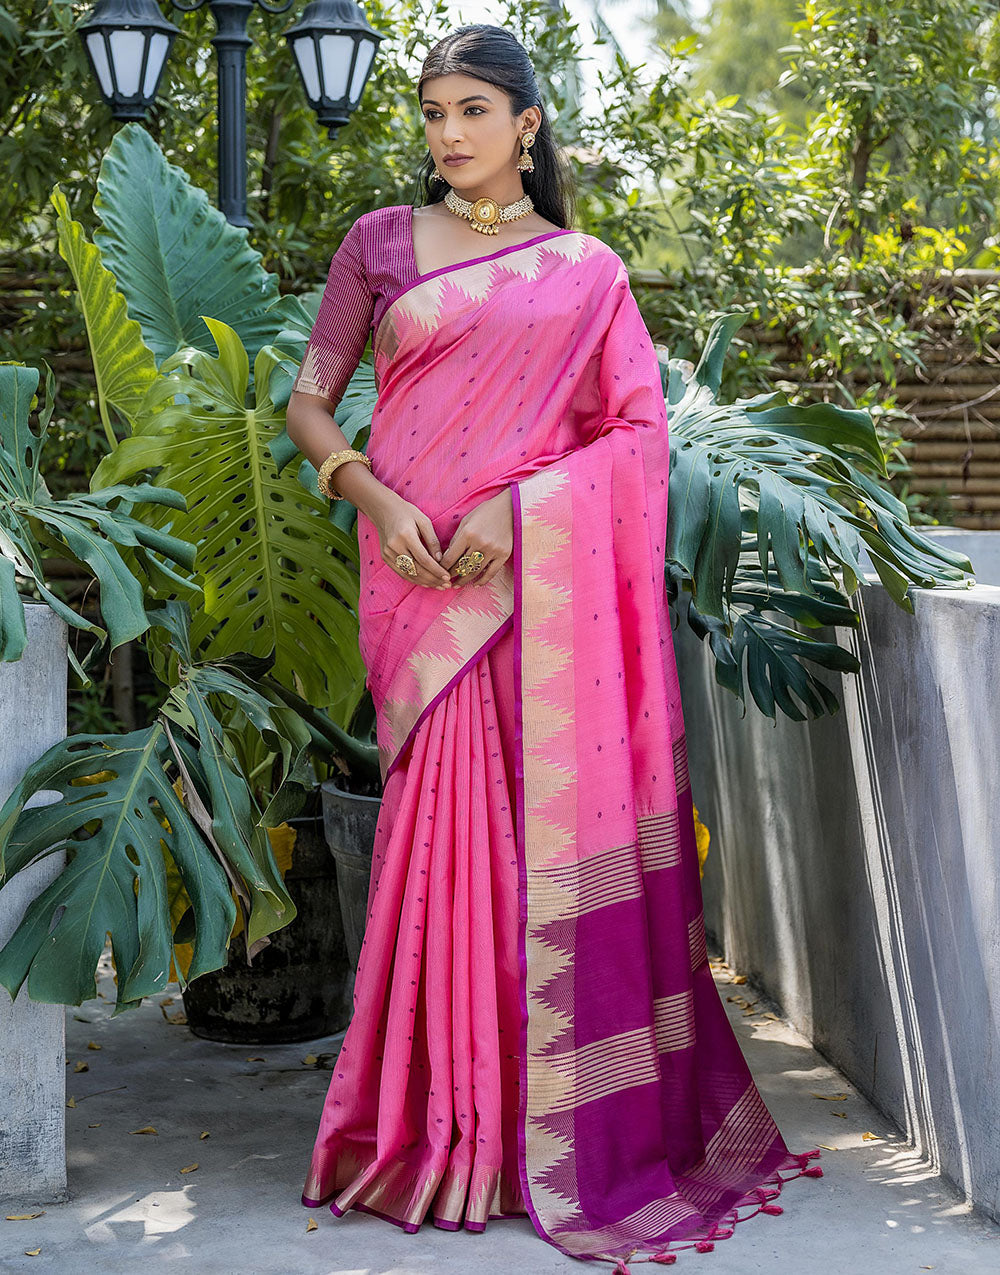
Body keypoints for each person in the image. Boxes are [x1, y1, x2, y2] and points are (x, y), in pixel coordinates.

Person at [284, 23, 822, 1269]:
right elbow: (310, 399)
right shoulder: (376, 244)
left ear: (526, 124)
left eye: (472, 109)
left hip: (530, 586)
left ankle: (557, 1122)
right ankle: (435, 1128)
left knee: (542, 841)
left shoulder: (586, 270)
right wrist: (371, 492)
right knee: (441, 839)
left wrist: (509, 515)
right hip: (414, 582)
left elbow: (635, 438)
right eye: (431, 114)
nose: (449, 134)